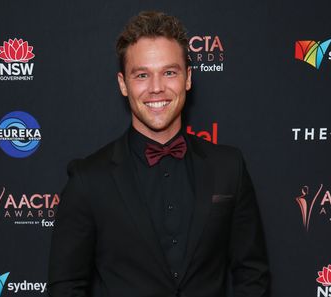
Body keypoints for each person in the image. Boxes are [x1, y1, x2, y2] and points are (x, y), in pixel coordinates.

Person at [48, 11, 270, 297]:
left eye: (169, 72)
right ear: (122, 83)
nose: (156, 88)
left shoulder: (229, 167)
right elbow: (65, 286)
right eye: (142, 75)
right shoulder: (88, 179)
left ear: (188, 78)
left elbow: (252, 273)